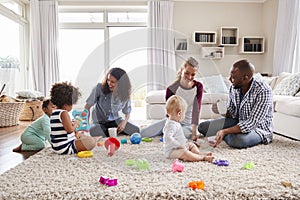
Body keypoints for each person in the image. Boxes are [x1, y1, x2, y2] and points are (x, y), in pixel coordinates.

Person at [197, 59, 273, 149]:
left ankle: (224, 135)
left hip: (258, 128)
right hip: (238, 121)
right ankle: (227, 134)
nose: (229, 79)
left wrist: (225, 131)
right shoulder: (234, 87)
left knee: (237, 141)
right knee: (203, 127)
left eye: (233, 77)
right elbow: (232, 113)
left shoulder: (263, 90)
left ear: (245, 78)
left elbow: (252, 122)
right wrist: (221, 110)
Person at [141, 57, 203, 140]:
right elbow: (169, 112)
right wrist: (170, 125)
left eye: (193, 74)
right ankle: (164, 130)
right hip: (172, 121)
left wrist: (194, 132)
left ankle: (168, 131)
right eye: (187, 73)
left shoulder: (198, 87)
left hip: (188, 125)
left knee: (174, 135)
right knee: (143, 133)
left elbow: (196, 110)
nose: (189, 77)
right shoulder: (171, 89)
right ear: (181, 70)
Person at [85, 68, 140, 137]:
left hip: (115, 121)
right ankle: (112, 132)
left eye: (112, 82)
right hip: (99, 123)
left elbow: (127, 112)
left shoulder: (125, 94)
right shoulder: (98, 88)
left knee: (136, 130)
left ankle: (111, 132)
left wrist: (124, 123)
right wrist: (86, 125)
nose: (109, 84)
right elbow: (87, 107)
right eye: (108, 80)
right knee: (95, 130)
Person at [50, 82, 97, 155]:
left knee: (81, 135)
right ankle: (94, 139)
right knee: (91, 142)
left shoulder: (54, 113)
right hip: (65, 147)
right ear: (66, 104)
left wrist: (71, 124)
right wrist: (75, 124)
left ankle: (93, 138)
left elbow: (62, 128)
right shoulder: (64, 113)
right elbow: (69, 130)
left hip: (56, 146)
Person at [163, 95, 214, 162]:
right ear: (179, 113)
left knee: (191, 145)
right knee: (185, 152)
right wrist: (179, 145)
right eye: (184, 113)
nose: (184, 115)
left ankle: (198, 155)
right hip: (171, 151)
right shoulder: (171, 125)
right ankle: (203, 158)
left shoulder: (175, 122)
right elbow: (167, 138)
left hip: (181, 146)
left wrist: (184, 144)